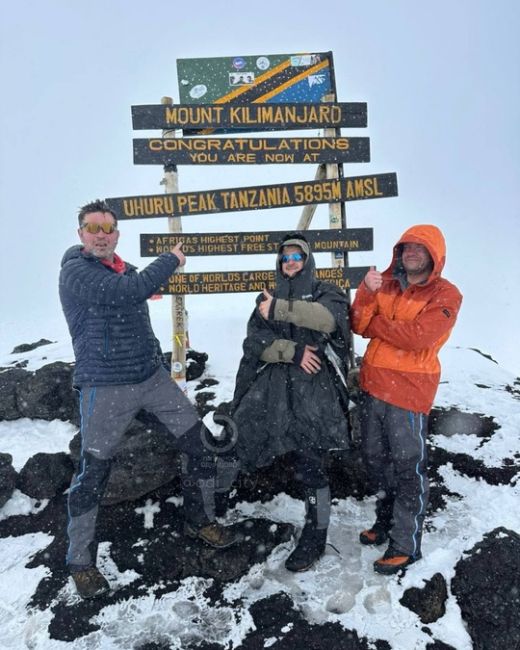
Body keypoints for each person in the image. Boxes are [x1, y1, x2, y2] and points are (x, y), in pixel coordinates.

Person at [59, 199, 238, 599]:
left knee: (199, 444)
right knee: (93, 475)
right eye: (93, 227)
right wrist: (171, 260)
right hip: (104, 387)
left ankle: (199, 519)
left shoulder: (121, 269)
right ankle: (80, 562)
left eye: (108, 227)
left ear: (117, 234)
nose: (101, 234)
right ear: (81, 234)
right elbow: (132, 291)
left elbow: (136, 289)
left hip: (151, 378)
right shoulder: (75, 270)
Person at [218, 232, 351, 572]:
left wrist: (279, 309)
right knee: (238, 436)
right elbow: (254, 342)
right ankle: (215, 508)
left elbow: (328, 320)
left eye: (298, 257)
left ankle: (316, 534)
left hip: (314, 394)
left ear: (308, 261)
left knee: (311, 463)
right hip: (274, 389)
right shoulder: (267, 296)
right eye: (285, 258)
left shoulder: (327, 291)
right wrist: (291, 351)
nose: (291, 263)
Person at [350, 224, 462, 574]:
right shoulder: (384, 283)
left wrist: (377, 324)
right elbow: (357, 322)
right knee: (374, 460)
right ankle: (384, 523)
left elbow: (417, 338)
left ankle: (405, 544)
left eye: (419, 247)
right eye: (406, 246)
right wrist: (367, 294)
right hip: (373, 386)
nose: (411, 252)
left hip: (409, 392)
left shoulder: (446, 294)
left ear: (434, 255)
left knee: (408, 468)